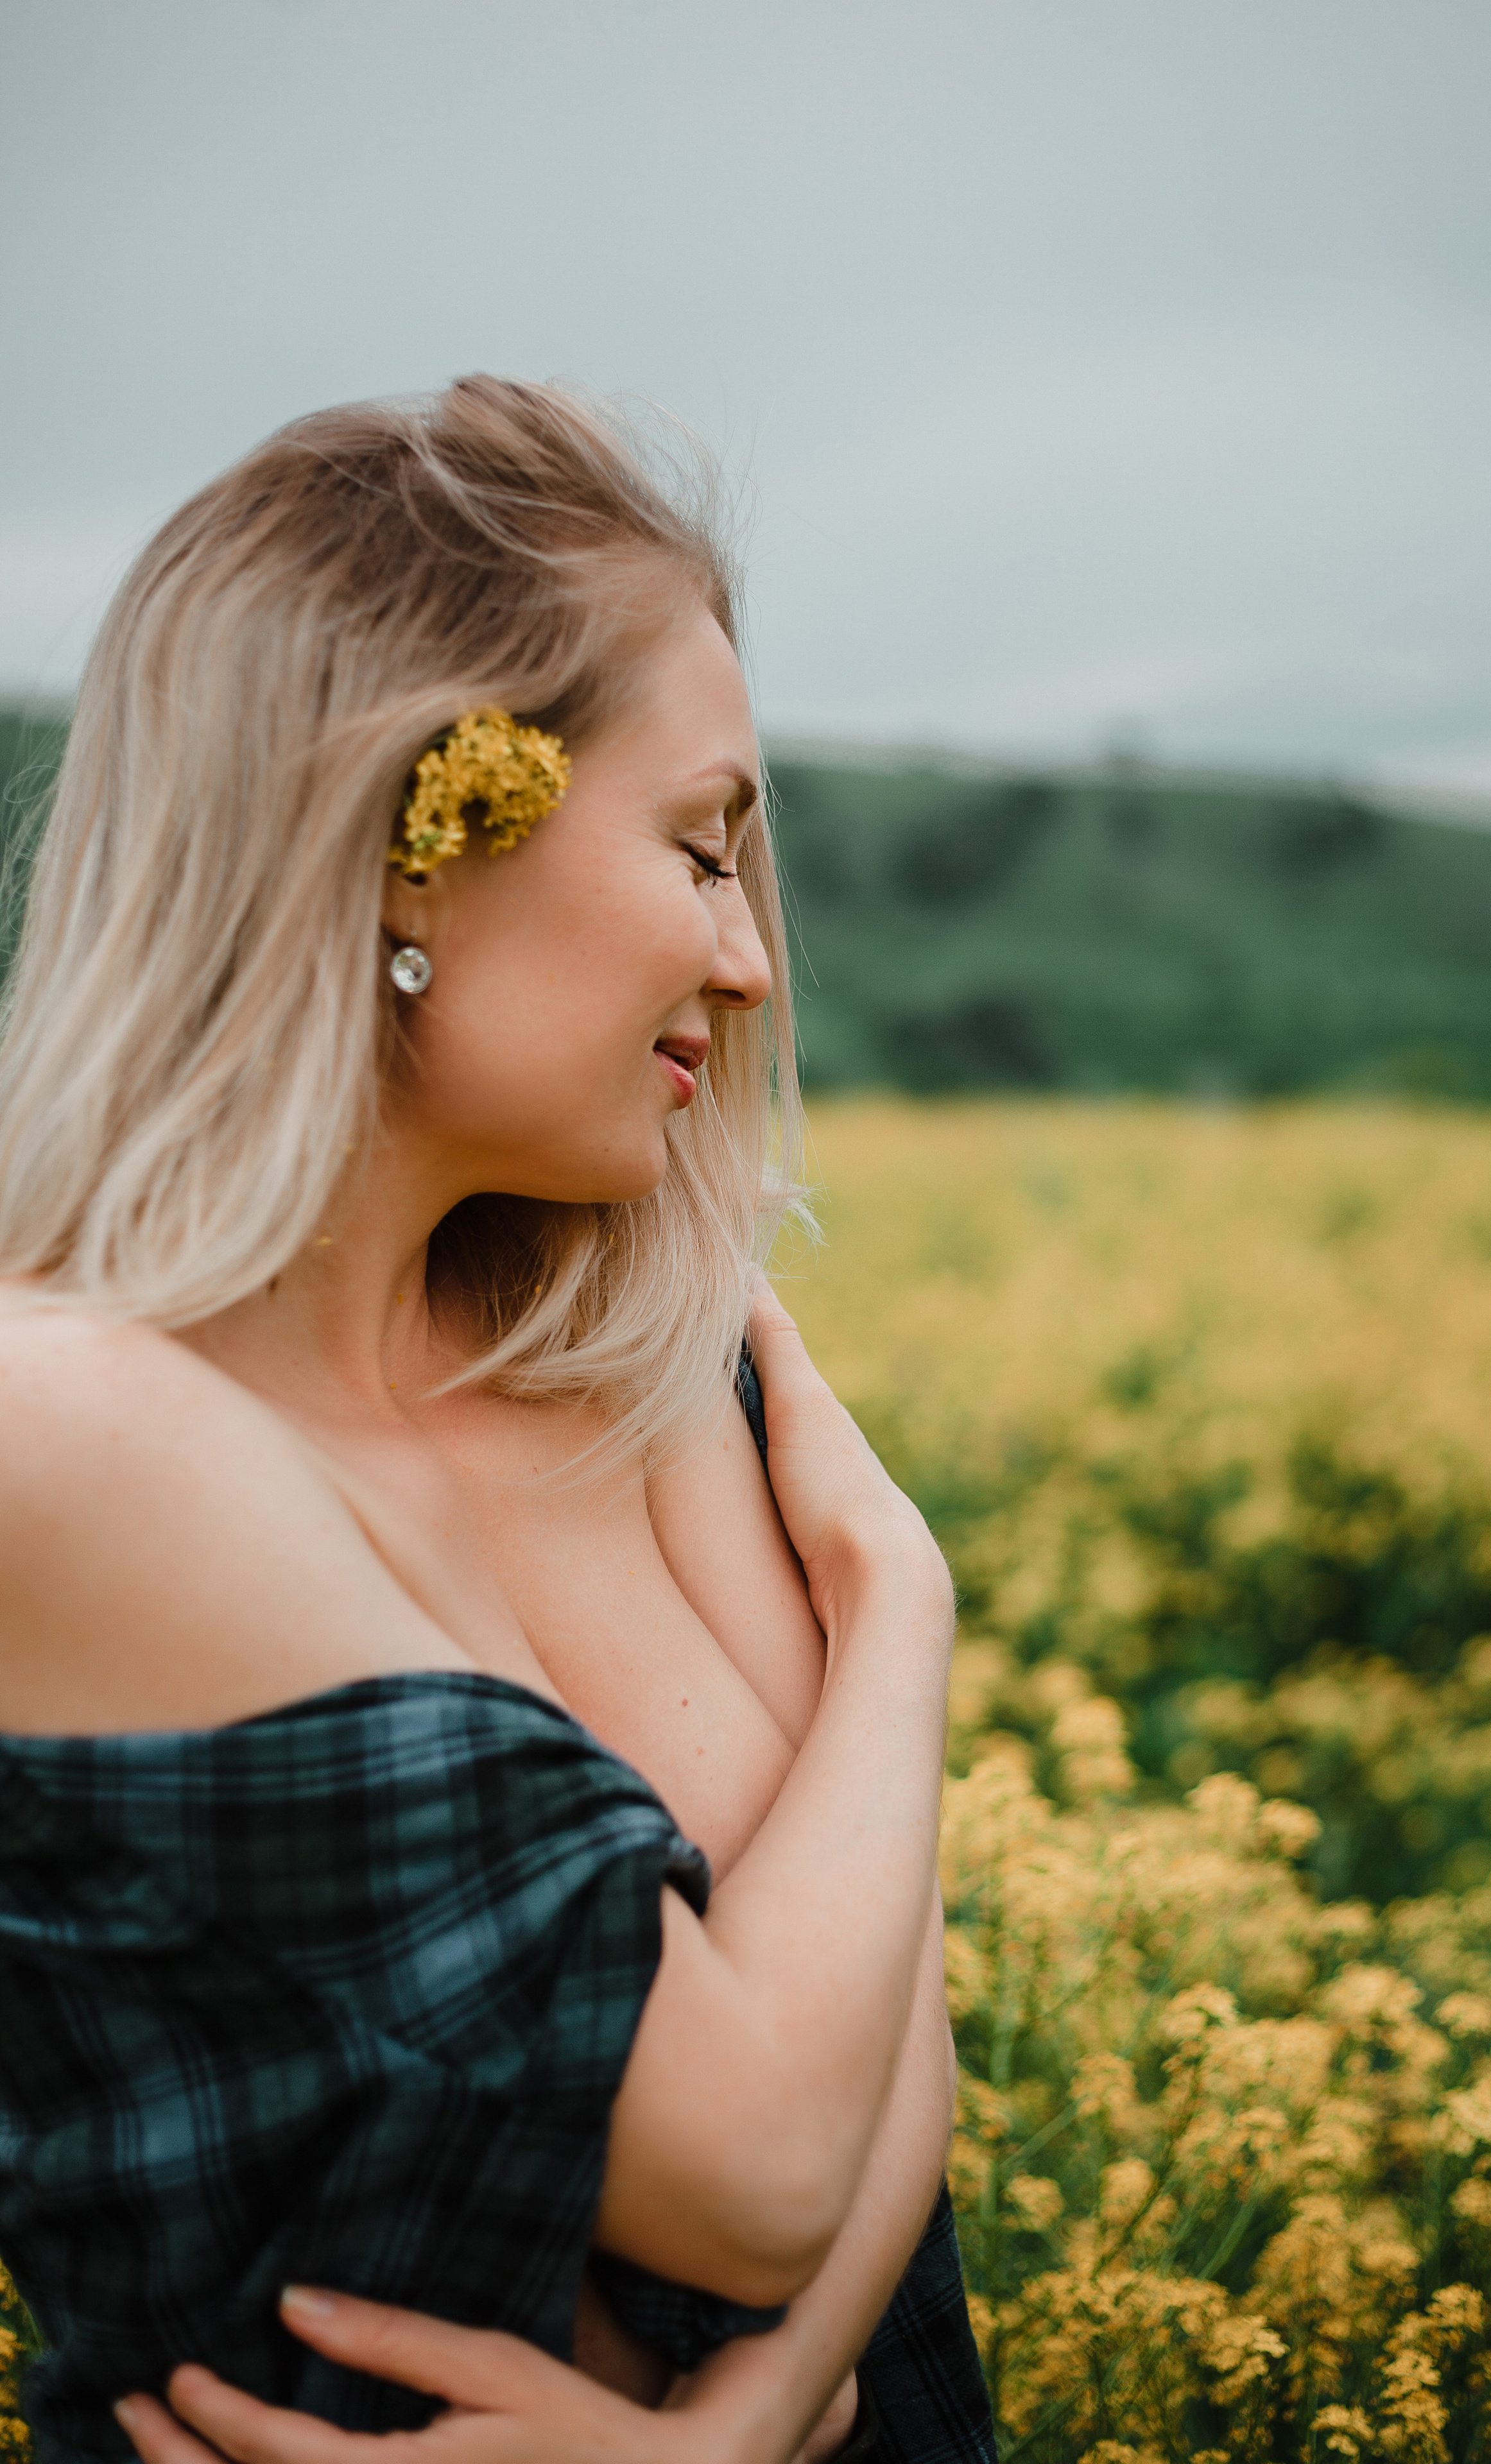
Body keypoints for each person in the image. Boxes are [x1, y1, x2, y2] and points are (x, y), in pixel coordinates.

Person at [0, 377, 995, 2464]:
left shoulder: (624, 1337)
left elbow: (886, 1987)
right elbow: (745, 2161)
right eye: (700, 845)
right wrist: (900, 1604)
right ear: (419, 834)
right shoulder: (68, 1421)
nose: (745, 961)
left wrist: (724, 2438)